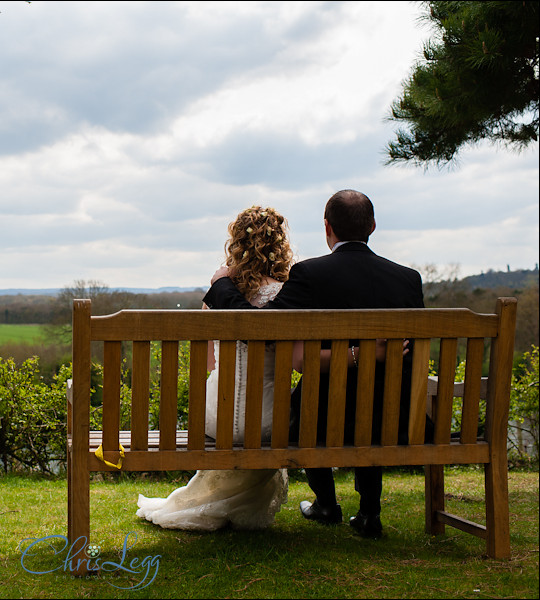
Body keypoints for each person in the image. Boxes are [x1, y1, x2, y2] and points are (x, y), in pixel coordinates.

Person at [202, 189, 424, 538]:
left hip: (321, 421)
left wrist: (222, 285)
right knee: (375, 394)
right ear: (373, 226)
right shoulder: (408, 280)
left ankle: (326, 503)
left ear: (327, 228)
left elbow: (260, 329)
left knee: (309, 398)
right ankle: (369, 512)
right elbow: (410, 356)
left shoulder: (311, 275)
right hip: (396, 421)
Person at [136, 206, 293, 530]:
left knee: (225, 401)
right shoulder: (284, 296)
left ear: (236, 243)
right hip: (269, 421)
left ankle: (215, 501)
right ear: (279, 245)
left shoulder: (218, 295)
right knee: (270, 409)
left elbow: (209, 362)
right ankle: (242, 504)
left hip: (215, 417)